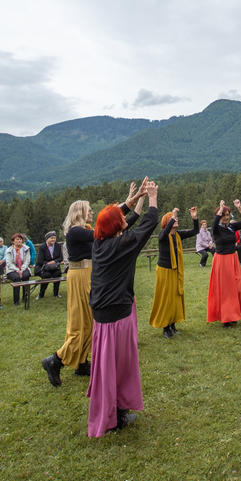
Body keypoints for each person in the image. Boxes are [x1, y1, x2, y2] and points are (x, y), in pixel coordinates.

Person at [87, 178, 159, 436]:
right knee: (119, 368)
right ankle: (114, 415)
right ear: (116, 227)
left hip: (102, 316)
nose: (124, 220)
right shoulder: (121, 245)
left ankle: (114, 410)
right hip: (117, 317)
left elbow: (121, 220)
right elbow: (148, 224)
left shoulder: (99, 243)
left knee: (108, 369)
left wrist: (135, 199)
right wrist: (152, 197)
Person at [41, 199, 98, 386]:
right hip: (80, 276)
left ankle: (81, 363)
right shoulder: (75, 231)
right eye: (89, 210)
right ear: (80, 212)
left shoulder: (84, 229)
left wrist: (131, 202)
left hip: (86, 275)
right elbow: (103, 232)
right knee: (81, 323)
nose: (92, 212)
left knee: (89, 321)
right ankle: (55, 360)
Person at [148, 207, 200, 338]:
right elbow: (164, 233)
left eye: (176, 218)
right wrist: (173, 216)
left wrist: (194, 218)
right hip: (164, 270)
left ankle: (172, 324)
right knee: (166, 299)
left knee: (175, 298)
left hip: (175, 270)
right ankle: (165, 328)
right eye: (173, 219)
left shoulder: (178, 235)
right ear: (167, 222)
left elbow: (195, 231)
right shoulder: (163, 235)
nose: (176, 220)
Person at [207, 199, 241, 327]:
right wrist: (220, 209)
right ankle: (226, 317)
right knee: (225, 290)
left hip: (233, 259)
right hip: (222, 260)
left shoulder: (231, 226)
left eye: (227, 215)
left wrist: (240, 208)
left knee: (236, 287)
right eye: (223, 215)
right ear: (219, 216)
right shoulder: (216, 229)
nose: (226, 217)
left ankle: (233, 313)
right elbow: (213, 224)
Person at [5, 234, 34, 305]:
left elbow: (27, 261)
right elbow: (9, 263)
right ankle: (16, 300)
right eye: (17, 239)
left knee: (25, 276)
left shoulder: (26, 249)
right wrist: (17, 270)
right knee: (16, 278)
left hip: (23, 268)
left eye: (20, 239)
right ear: (13, 241)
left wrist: (22, 269)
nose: (19, 241)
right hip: (12, 269)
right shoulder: (9, 250)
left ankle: (25, 297)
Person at [35, 232, 64, 299]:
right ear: (47, 239)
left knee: (58, 273)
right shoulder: (42, 247)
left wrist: (54, 262)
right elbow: (40, 261)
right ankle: (41, 294)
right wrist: (48, 263)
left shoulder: (58, 246)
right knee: (46, 275)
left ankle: (56, 293)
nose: (53, 239)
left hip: (54, 266)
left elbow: (60, 258)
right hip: (43, 267)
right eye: (51, 238)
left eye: (54, 238)